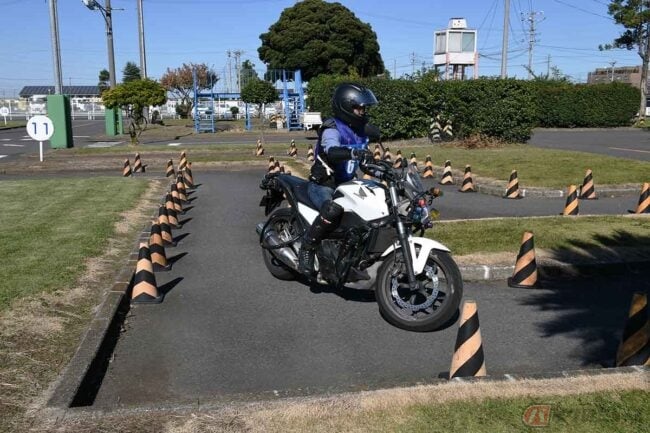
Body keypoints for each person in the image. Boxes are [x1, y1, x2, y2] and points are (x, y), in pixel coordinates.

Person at [298, 83, 379, 276]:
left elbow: (365, 163)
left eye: (364, 107)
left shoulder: (359, 130)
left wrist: (385, 171)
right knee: (332, 210)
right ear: (346, 106)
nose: (363, 111)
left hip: (346, 184)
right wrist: (352, 152)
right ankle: (307, 248)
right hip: (323, 184)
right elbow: (331, 150)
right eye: (359, 107)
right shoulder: (332, 128)